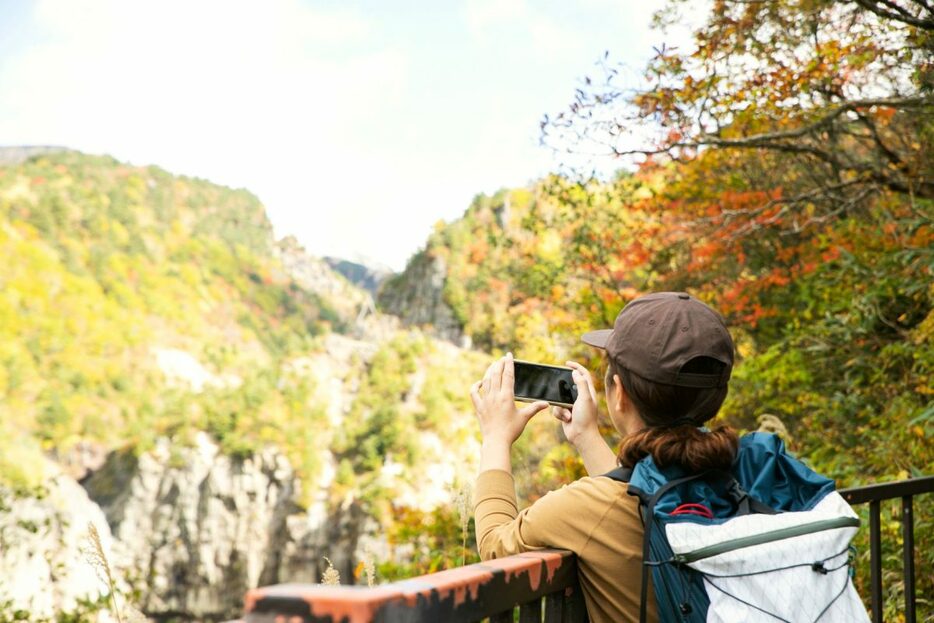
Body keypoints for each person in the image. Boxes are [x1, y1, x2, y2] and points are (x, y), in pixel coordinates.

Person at [470, 291, 737, 623]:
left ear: (619, 393)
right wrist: (586, 436)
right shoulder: (745, 476)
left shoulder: (586, 508)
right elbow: (637, 494)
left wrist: (496, 438)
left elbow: (495, 545)